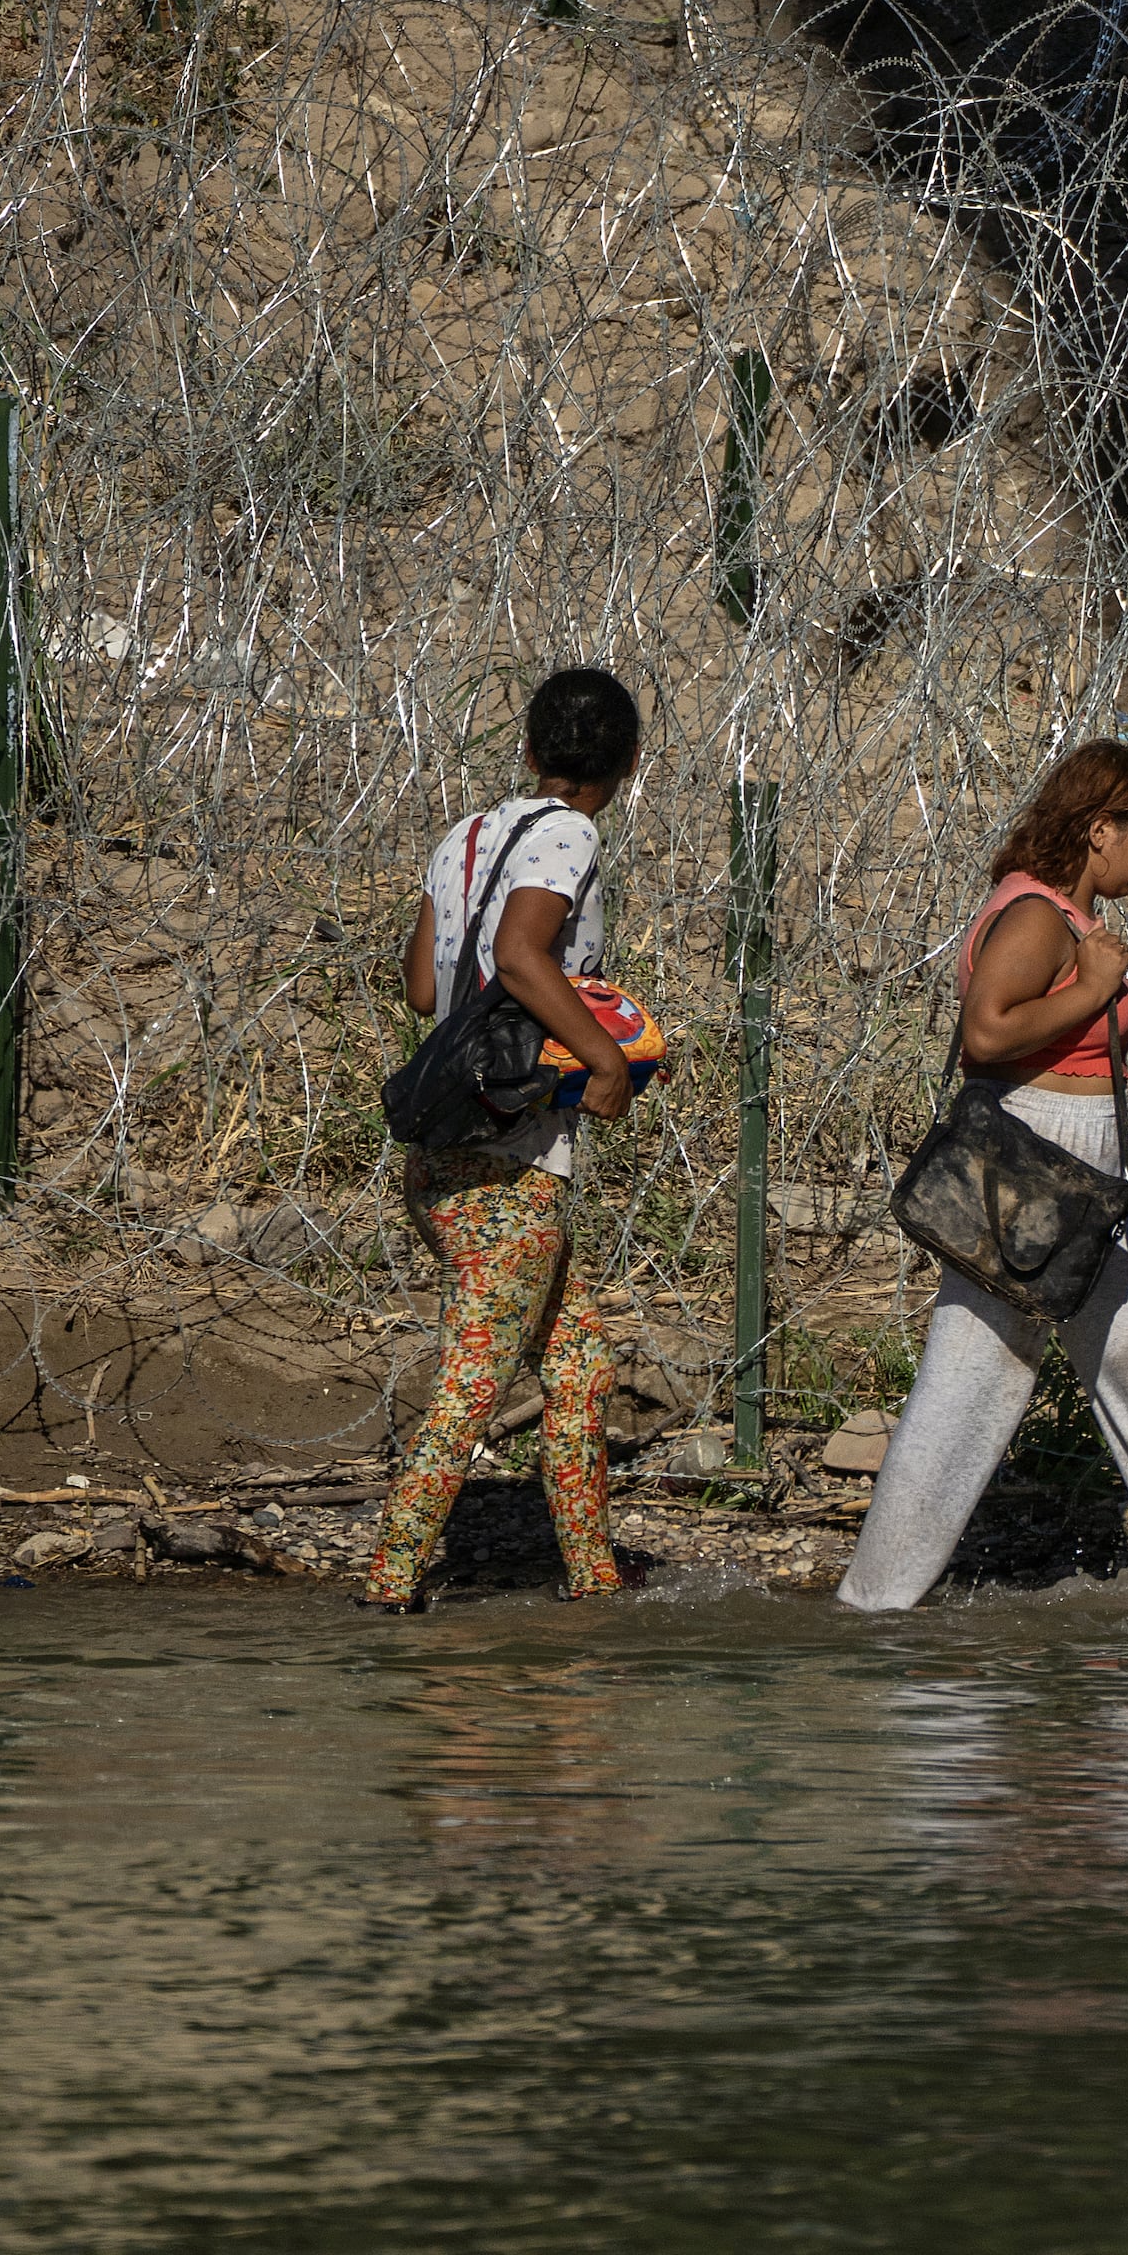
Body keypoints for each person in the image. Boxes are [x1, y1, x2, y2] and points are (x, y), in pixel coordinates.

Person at [840, 736, 1128, 1607]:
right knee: (968, 1388)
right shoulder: (1035, 915)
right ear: (1100, 829)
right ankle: (874, 1602)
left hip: (1084, 1173)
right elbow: (987, 1033)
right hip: (1033, 1164)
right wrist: (1094, 990)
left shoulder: (1068, 917)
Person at [365, 665, 651, 1612]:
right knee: (474, 1384)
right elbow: (524, 954)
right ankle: (389, 1581)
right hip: (511, 1158)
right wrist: (603, 1059)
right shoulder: (571, 833)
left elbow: (420, 988)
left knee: (577, 1365)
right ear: (627, 764)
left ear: (529, 752)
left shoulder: (467, 833)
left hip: (442, 1145)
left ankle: (594, 1579)